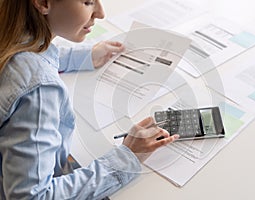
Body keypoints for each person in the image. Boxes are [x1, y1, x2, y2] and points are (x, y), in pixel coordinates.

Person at [0, 0, 179, 199]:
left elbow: (27, 50)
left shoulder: (7, 27)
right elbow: (32, 196)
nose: (101, 13)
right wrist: (127, 157)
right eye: (88, 2)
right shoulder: (40, 92)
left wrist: (83, 56)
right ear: (42, 3)